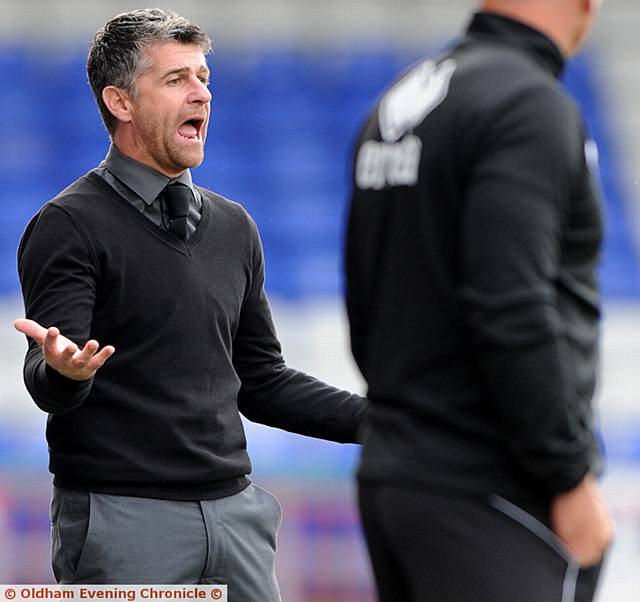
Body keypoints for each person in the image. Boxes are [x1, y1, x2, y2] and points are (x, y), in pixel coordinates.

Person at [14, 8, 367, 597]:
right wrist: (62, 371)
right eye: (176, 79)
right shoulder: (69, 225)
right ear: (120, 103)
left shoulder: (235, 227)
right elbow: (51, 370)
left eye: (204, 78)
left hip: (237, 518)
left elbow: (261, 381)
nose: (201, 94)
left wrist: (386, 425)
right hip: (126, 523)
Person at [345, 1, 613, 601]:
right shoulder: (528, 103)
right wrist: (567, 476)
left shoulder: (400, 100)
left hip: (397, 477)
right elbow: (511, 304)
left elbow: (367, 302)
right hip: (493, 491)